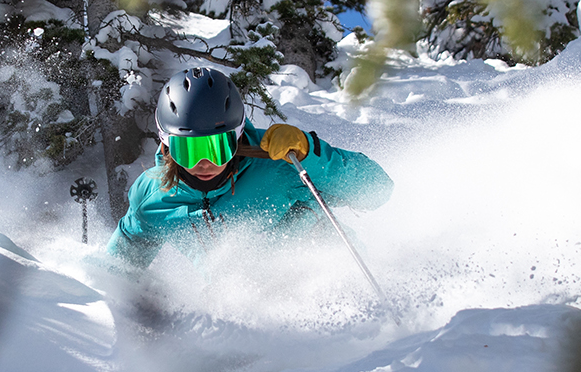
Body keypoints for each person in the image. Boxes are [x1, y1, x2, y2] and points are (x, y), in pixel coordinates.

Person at [105, 66, 393, 271]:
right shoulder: (152, 196)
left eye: (218, 148)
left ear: (239, 135)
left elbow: (377, 191)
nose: (204, 163)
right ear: (166, 144)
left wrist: (310, 153)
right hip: (244, 314)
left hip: (330, 281)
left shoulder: (279, 163)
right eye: (188, 151)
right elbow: (120, 264)